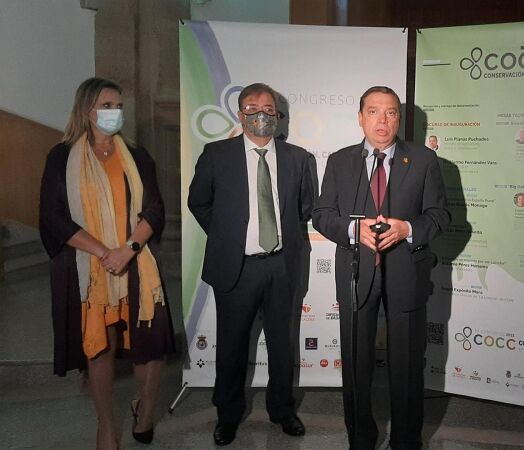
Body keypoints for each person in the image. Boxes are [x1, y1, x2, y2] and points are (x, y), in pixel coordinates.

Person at [39, 77, 175, 449]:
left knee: (151, 344)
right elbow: (53, 217)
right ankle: (107, 425)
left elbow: (154, 209)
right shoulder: (62, 156)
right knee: (100, 346)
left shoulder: (136, 155)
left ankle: (145, 409)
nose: (115, 112)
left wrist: (127, 249)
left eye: (118, 106)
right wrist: (104, 252)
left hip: (136, 261)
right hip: (90, 267)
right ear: (87, 110)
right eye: (107, 106)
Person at [312, 86, 450, 449]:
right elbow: (322, 214)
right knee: (356, 364)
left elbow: (439, 215)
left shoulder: (423, 160)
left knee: (406, 366)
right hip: (357, 274)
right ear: (360, 118)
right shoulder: (340, 161)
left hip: (407, 274)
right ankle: (360, 437)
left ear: (399, 119)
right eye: (373, 112)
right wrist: (352, 230)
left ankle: (406, 440)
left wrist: (408, 229)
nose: (382, 120)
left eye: (390, 112)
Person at [188, 83, 316, 446]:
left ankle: (283, 410)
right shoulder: (217, 154)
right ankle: (227, 415)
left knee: (282, 344)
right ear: (240, 114)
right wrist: (228, 235)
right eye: (252, 107)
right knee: (231, 346)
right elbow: (198, 202)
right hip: (236, 267)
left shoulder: (298, 158)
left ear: (278, 115)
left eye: (268, 108)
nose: (261, 114)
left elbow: (306, 207)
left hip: (281, 265)